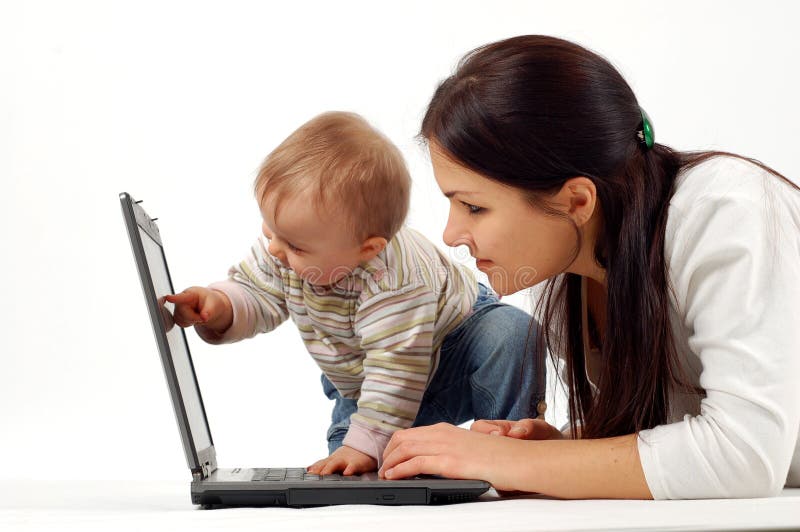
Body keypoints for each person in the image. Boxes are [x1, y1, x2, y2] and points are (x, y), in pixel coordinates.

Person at [377, 35, 800, 500]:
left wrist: (513, 461)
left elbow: (744, 456)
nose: (451, 234)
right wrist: (569, 443)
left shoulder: (727, 212)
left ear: (577, 200)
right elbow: (679, 428)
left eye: (473, 207)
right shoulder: (581, 277)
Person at [165, 111, 544, 476]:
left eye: (294, 246)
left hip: (452, 347)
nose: (275, 250)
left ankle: (509, 446)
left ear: (368, 249)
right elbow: (256, 291)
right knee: (348, 466)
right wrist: (219, 306)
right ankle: (392, 450)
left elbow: (397, 365)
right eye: (270, 231)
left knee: (510, 335)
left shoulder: (395, 280)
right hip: (367, 379)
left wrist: (367, 443)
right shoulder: (290, 246)